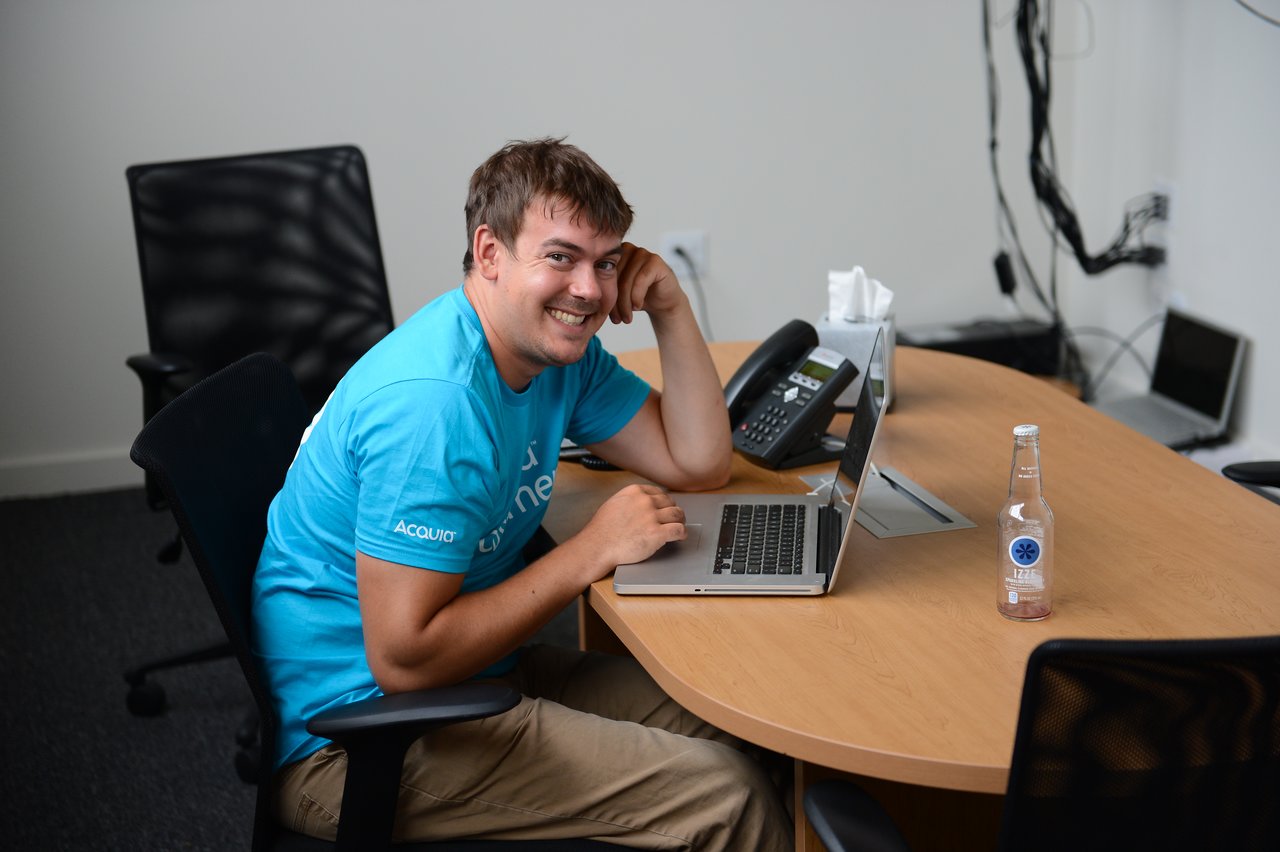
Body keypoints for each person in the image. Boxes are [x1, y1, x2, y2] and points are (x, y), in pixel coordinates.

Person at [251, 137, 792, 849]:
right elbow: (404, 659)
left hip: (473, 670)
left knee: (753, 722)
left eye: (607, 263)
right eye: (561, 257)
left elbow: (696, 463)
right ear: (490, 252)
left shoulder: (553, 353)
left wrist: (670, 306)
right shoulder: (435, 409)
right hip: (358, 737)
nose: (591, 291)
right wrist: (591, 550)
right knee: (727, 797)